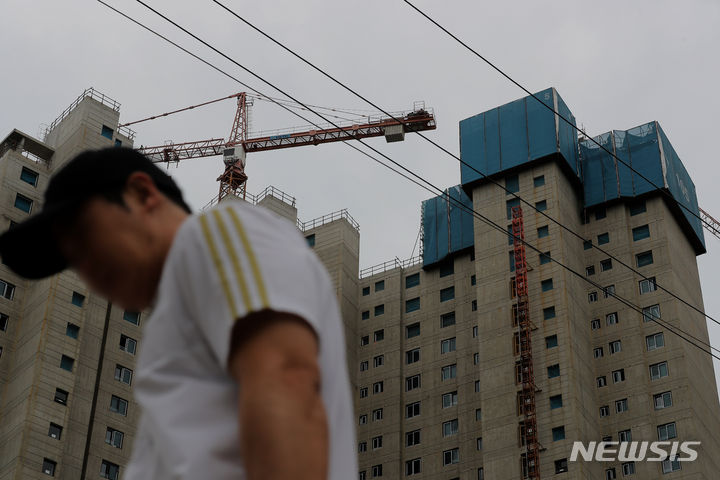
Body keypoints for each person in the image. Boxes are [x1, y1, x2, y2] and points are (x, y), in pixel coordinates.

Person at [0, 147, 356, 480]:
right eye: (71, 259)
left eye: (83, 238)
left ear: (142, 194)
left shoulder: (219, 232)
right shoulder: (178, 309)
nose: (84, 267)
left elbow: (286, 379)